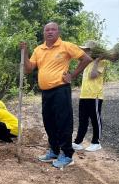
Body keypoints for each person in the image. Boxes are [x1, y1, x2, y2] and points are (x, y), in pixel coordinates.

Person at [20, 22, 92, 169]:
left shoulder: (66, 46)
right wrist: (25, 52)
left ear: (58, 32)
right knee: (49, 122)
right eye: (47, 30)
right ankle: (54, 150)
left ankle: (66, 154)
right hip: (46, 92)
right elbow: (28, 69)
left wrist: (72, 75)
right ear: (43, 33)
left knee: (63, 122)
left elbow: (86, 59)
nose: (50, 32)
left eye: (53, 29)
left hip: (61, 90)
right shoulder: (38, 49)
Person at [72, 40, 116, 152]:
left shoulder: (102, 62)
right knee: (82, 120)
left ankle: (96, 142)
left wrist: (97, 61)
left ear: (92, 51)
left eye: (86, 50)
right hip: (84, 95)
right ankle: (78, 142)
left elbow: (93, 76)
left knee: (95, 119)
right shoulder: (86, 62)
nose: (85, 52)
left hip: (94, 95)